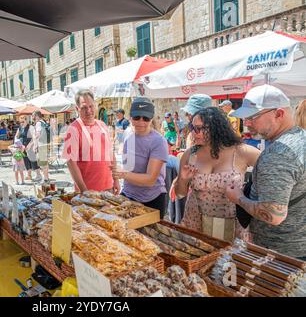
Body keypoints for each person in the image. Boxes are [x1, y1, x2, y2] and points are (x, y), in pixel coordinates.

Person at [225, 85, 306, 260]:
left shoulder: (278, 153)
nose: (246, 123)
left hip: (282, 256)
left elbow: (273, 215)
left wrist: (238, 197)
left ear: (279, 114)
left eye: (252, 117)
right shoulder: (301, 138)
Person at [175, 107, 260, 242]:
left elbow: (271, 171)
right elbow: (180, 194)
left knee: (228, 262)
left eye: (198, 128)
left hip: (231, 225)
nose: (193, 133)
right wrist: (183, 180)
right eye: (192, 127)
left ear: (215, 128)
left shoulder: (242, 152)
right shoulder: (190, 154)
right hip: (195, 222)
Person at [111, 97, 169, 216]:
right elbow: (128, 169)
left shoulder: (158, 141)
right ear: (131, 118)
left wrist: (122, 174)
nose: (141, 122)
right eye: (137, 117)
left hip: (152, 199)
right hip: (128, 195)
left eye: (146, 118)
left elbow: (150, 180)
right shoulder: (129, 138)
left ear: (151, 118)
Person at [62, 90, 120, 193]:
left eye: (91, 106)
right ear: (77, 108)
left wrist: (116, 180)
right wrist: (84, 191)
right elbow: (71, 163)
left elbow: (111, 154)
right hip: (88, 191)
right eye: (84, 107)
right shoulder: (73, 129)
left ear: (95, 106)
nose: (88, 111)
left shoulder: (102, 125)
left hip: (108, 187)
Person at [15, 116, 42, 181]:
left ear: (26, 121)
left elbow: (34, 138)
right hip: (22, 147)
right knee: (26, 161)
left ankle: (38, 175)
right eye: (20, 122)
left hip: (30, 146)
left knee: (33, 161)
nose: (21, 123)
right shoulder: (20, 128)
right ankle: (29, 175)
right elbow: (16, 136)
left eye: (23, 121)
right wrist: (17, 143)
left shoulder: (31, 127)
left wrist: (29, 145)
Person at [31, 111, 50, 183]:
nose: (32, 117)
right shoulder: (43, 122)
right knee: (45, 163)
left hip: (40, 145)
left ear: (36, 116)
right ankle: (46, 178)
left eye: (33, 115)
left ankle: (45, 179)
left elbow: (38, 135)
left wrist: (35, 145)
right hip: (44, 145)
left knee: (42, 163)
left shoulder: (38, 123)